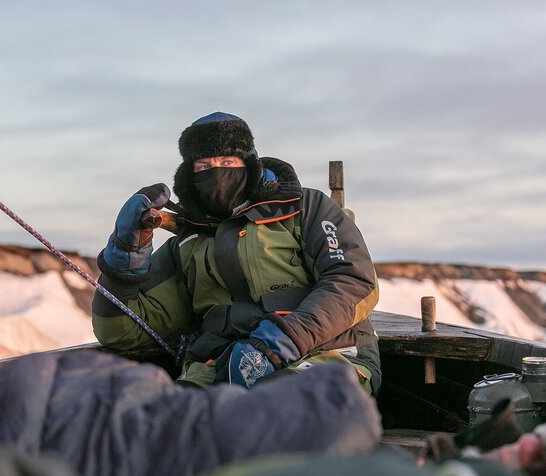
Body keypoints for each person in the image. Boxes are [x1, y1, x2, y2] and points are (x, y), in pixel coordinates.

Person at [92, 112, 381, 392]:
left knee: (280, 410)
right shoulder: (185, 244)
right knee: (166, 427)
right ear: (188, 175)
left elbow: (354, 282)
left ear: (250, 163)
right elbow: (120, 332)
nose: (217, 172)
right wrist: (126, 250)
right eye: (204, 166)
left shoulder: (305, 208)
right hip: (217, 367)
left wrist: (280, 341)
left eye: (228, 161)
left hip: (326, 357)